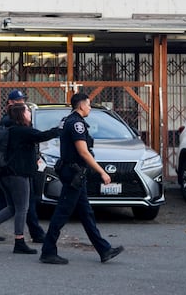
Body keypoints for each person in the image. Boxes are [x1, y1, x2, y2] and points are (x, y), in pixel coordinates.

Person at [40, 92, 124, 264]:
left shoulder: (66, 120)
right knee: (62, 213)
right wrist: (102, 172)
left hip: (73, 173)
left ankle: (104, 249)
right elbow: (83, 152)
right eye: (88, 104)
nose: (90, 107)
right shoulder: (77, 124)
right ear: (80, 105)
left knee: (86, 214)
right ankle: (48, 251)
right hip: (73, 174)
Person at [0, 103, 60, 254]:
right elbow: (42, 136)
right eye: (27, 110)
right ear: (21, 114)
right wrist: (60, 129)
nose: (29, 112)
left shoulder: (12, 130)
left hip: (6, 174)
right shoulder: (22, 131)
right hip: (17, 175)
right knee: (22, 208)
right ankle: (19, 241)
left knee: (12, 207)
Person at [0, 89, 46, 243]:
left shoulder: (14, 120)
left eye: (23, 100)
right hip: (15, 169)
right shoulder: (11, 121)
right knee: (23, 204)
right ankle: (32, 234)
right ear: (11, 103)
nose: (22, 103)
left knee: (11, 203)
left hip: (17, 167)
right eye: (19, 101)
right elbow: (25, 140)